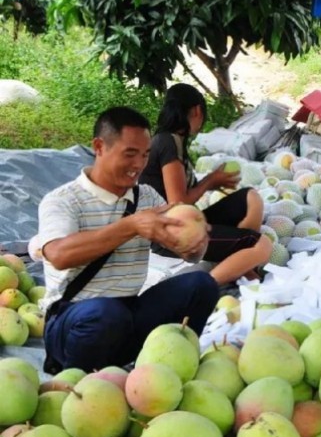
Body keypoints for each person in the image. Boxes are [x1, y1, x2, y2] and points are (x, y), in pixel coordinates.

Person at [32, 106, 219, 373]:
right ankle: (78, 380)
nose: (138, 165)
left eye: (145, 155)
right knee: (106, 314)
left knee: (201, 284)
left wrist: (194, 244)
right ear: (99, 147)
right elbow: (60, 255)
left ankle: (169, 369)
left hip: (127, 314)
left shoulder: (147, 197)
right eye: (130, 154)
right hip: (74, 321)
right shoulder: (63, 200)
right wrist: (131, 225)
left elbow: (187, 252)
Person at [140, 83, 272, 286]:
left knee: (250, 197)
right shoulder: (166, 142)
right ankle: (206, 287)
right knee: (261, 245)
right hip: (172, 235)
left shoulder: (173, 141)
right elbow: (178, 204)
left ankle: (240, 266)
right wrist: (210, 181)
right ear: (197, 111)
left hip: (184, 223)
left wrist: (211, 182)